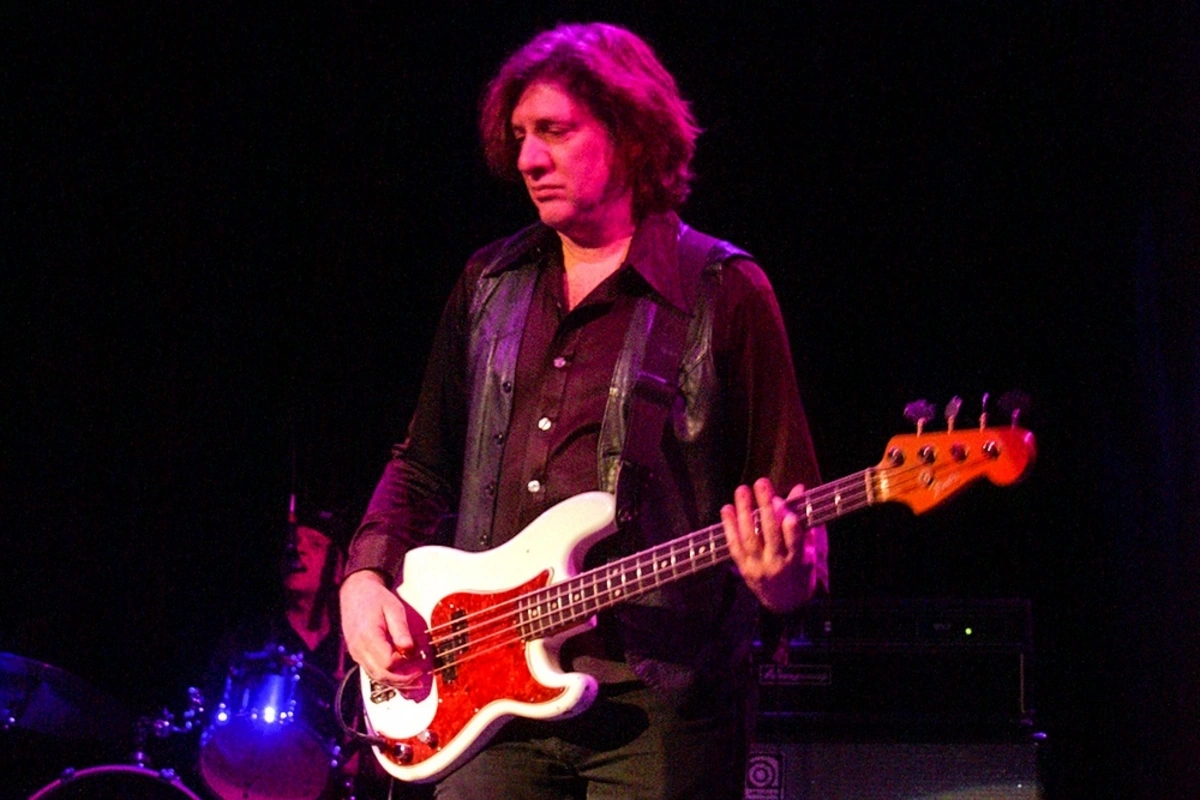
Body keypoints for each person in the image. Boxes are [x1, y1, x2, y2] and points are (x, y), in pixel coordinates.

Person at [341, 22, 829, 799]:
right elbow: (422, 464)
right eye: (521, 137)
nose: (529, 159)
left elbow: (792, 511)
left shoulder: (724, 291)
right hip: (485, 696)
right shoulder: (488, 284)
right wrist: (363, 579)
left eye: (556, 132)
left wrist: (784, 581)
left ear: (632, 136)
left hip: (662, 709)